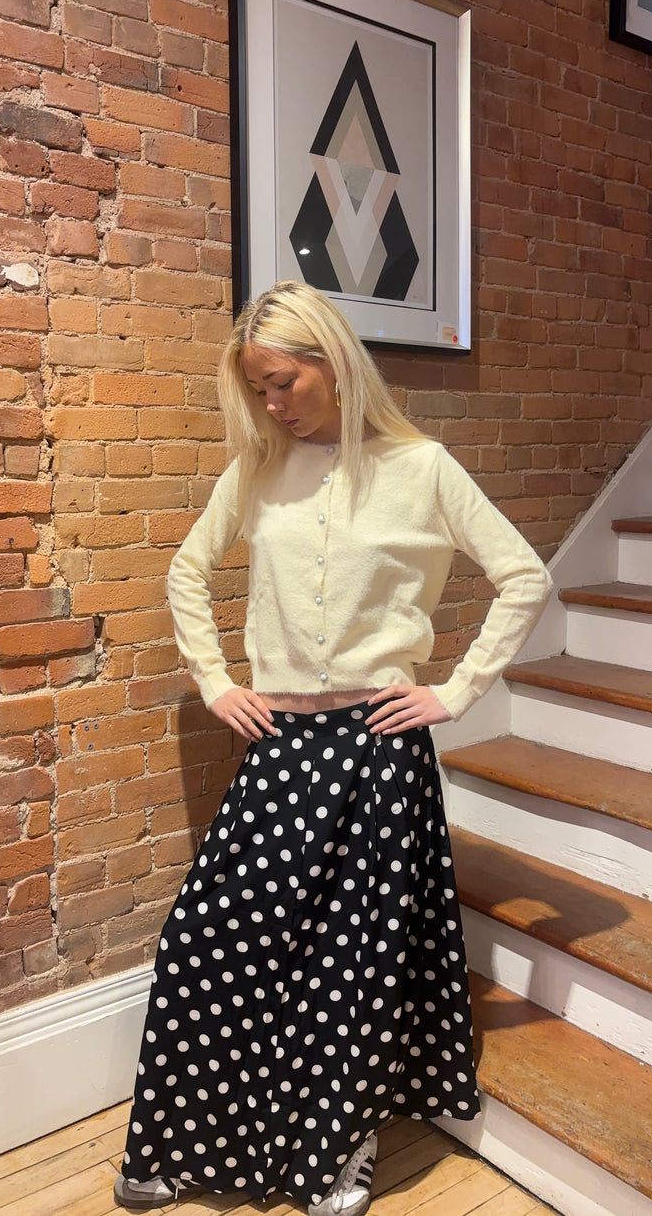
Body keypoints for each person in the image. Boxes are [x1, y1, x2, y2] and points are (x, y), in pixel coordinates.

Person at [115, 281, 553, 1215]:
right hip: (279, 746)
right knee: (206, 940)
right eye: (259, 390)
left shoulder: (423, 467)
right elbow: (187, 570)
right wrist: (215, 680)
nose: (273, 404)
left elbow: (524, 576)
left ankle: (340, 1147)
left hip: (378, 748)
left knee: (350, 966)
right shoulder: (258, 470)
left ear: (335, 361)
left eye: (284, 382)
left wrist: (455, 691)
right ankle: (182, 1137)